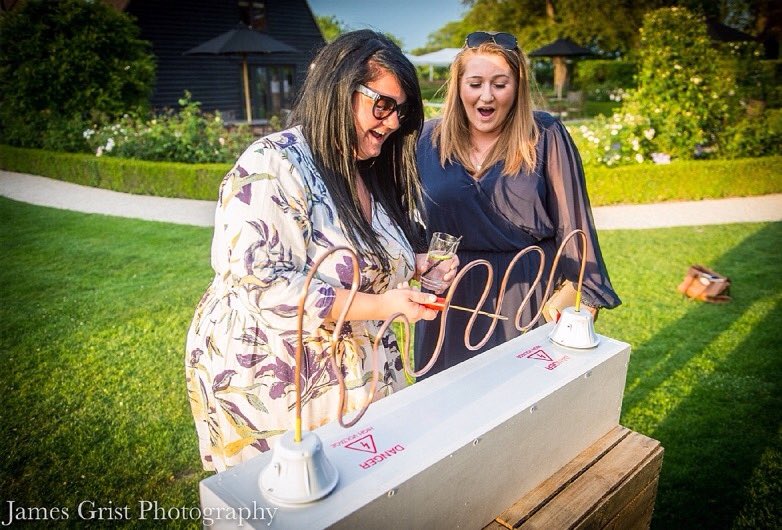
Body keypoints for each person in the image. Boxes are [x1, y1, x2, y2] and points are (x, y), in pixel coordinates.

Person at [185, 30, 451, 472]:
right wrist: (384, 304)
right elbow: (263, 287)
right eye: (383, 105)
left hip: (356, 374)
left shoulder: (369, 168)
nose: (391, 123)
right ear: (338, 88)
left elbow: (368, 256)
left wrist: (415, 267)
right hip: (283, 379)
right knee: (290, 504)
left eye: (401, 112)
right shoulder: (273, 163)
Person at [414, 31, 621, 376]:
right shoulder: (426, 140)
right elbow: (400, 217)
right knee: (446, 407)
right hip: (449, 298)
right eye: (475, 83)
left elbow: (574, 225)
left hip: (525, 292)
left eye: (500, 83)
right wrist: (420, 257)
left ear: (517, 87)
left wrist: (582, 295)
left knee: (521, 407)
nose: (486, 95)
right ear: (458, 86)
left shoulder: (545, 135)